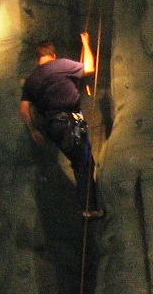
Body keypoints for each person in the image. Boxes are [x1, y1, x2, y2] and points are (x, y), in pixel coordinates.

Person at [20, 34, 103, 218]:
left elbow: (24, 109)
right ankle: (89, 208)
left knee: (79, 162)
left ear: (38, 56)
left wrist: (33, 130)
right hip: (70, 122)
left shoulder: (32, 79)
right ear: (53, 55)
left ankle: (87, 207)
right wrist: (86, 44)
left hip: (52, 127)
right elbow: (89, 67)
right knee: (85, 164)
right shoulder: (61, 65)